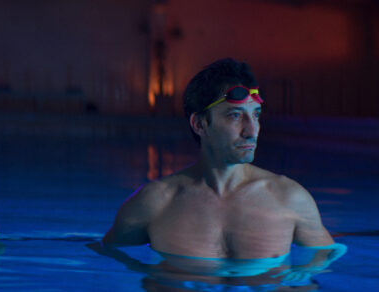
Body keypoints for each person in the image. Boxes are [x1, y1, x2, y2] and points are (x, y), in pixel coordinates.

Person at [101, 58, 335, 259]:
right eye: (235, 116)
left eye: (256, 115)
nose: (251, 131)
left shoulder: (291, 199)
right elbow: (108, 264)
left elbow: (324, 266)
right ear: (200, 124)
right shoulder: (154, 203)